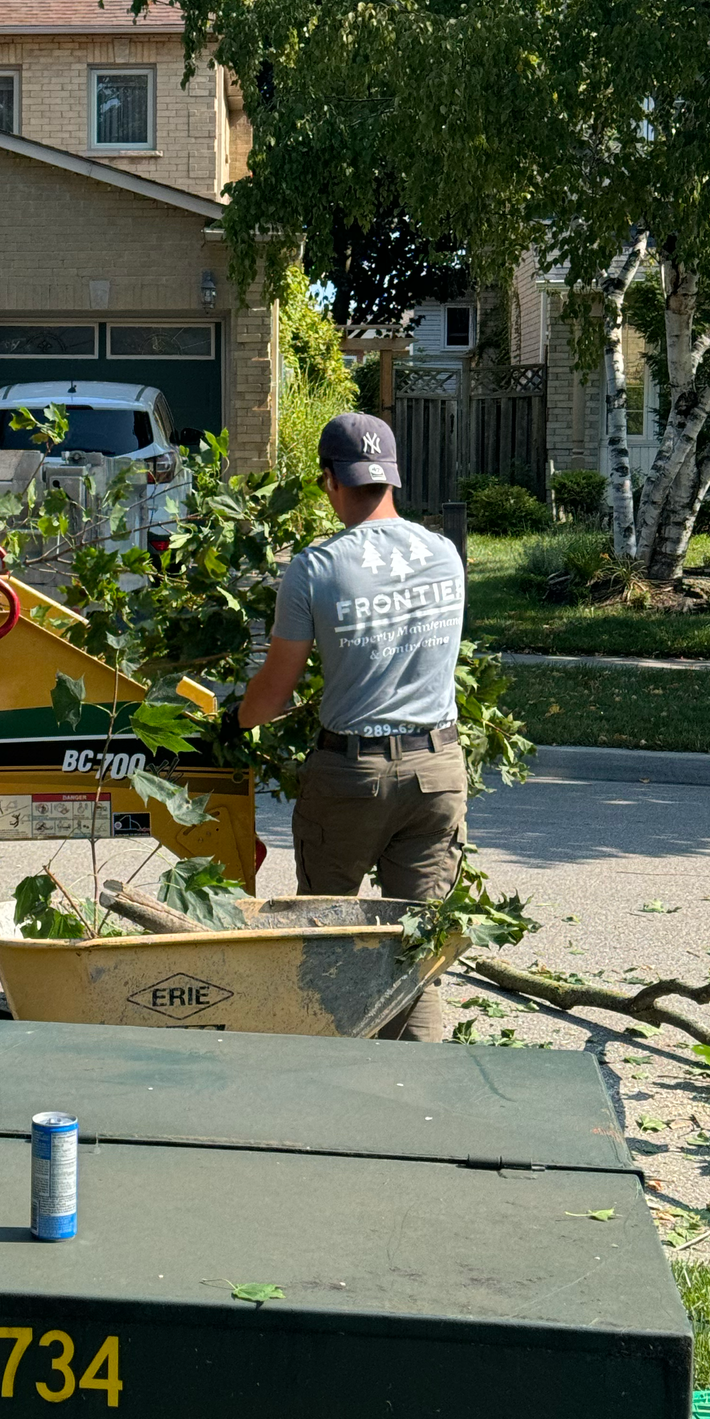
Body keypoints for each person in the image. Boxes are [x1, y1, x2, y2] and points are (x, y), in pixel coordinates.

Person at [236, 412, 467, 1041]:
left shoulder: (316, 567)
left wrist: (234, 721)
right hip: (438, 771)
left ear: (329, 480)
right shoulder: (445, 554)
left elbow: (274, 695)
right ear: (390, 476)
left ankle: (334, 1084)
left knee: (329, 942)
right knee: (417, 952)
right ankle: (415, 1102)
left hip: (351, 774)